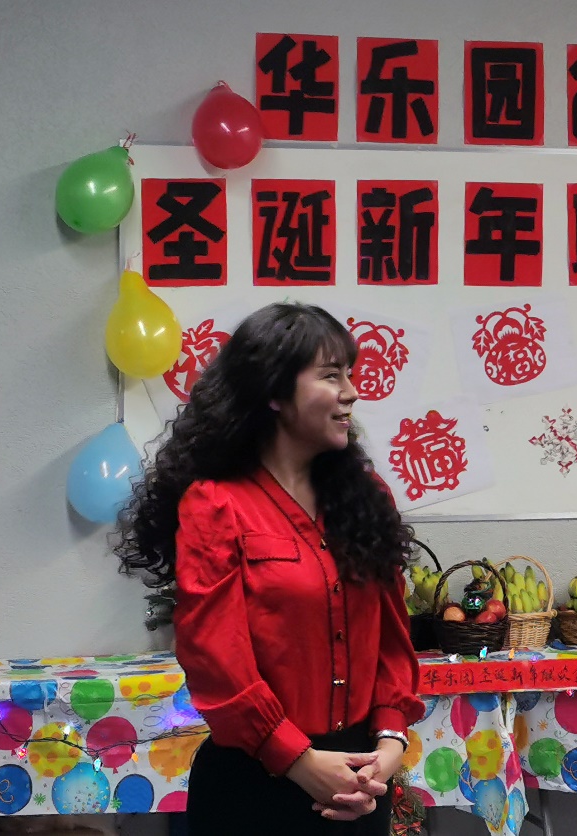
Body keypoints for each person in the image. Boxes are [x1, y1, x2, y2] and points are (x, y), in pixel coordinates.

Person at [116, 302, 423, 835]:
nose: (351, 391)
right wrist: (298, 759)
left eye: (350, 374)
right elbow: (215, 656)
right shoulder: (216, 504)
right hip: (255, 783)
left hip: (360, 781)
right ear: (275, 393)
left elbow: (393, 639)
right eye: (331, 376)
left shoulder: (367, 499)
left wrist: (390, 741)